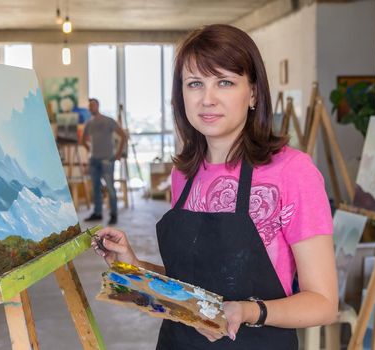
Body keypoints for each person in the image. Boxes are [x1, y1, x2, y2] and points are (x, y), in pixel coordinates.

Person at [91, 24, 337, 349]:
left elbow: (323, 302)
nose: (207, 99)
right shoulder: (184, 174)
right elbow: (194, 288)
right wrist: (134, 265)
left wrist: (247, 311)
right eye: (195, 84)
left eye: (224, 82)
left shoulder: (291, 172)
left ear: (253, 92)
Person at [82, 98, 127, 225]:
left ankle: (114, 214)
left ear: (98, 106)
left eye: (93, 105)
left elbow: (123, 135)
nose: (91, 108)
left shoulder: (108, 121)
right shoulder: (89, 124)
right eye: (89, 106)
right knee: (96, 188)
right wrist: (90, 150)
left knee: (110, 188)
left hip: (107, 160)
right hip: (94, 160)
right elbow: (82, 140)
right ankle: (97, 213)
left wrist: (118, 154)